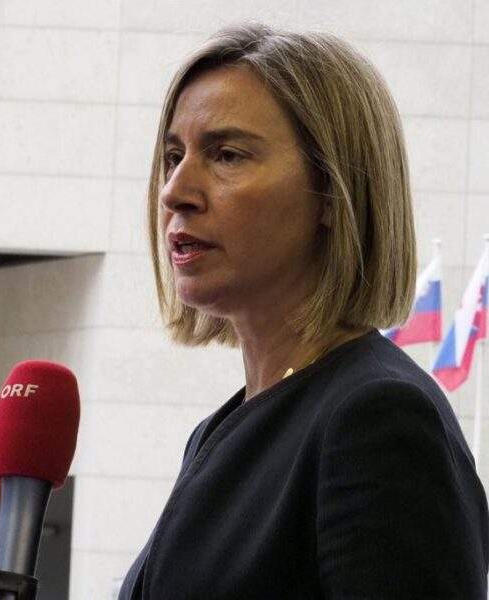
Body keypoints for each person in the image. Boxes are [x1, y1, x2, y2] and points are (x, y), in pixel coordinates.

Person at [118, 23, 489, 599]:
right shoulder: (220, 431)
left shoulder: (376, 419)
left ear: (334, 194)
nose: (174, 191)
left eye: (227, 155)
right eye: (173, 156)